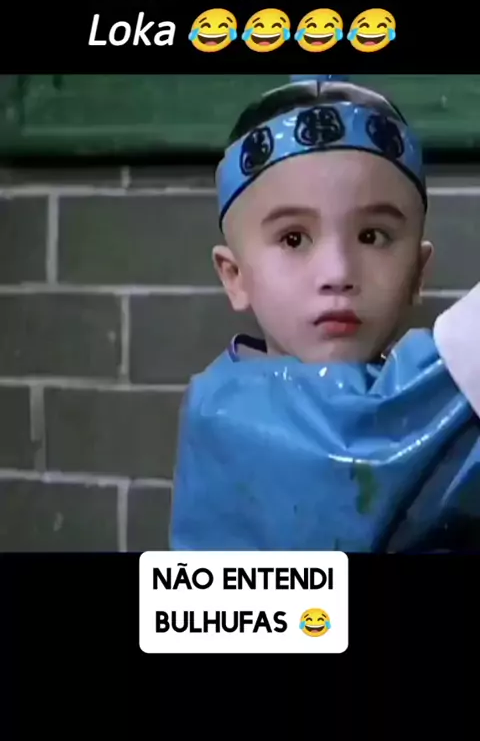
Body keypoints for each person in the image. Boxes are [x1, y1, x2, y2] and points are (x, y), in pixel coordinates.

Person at [170, 76, 480, 553]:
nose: (337, 273)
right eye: (293, 239)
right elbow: (360, 430)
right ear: (235, 276)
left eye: (372, 236)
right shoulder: (224, 411)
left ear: (418, 272)